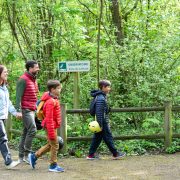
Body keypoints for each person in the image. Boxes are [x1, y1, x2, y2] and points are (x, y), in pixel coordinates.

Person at [28, 80, 64, 172]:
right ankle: (53, 165)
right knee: (55, 145)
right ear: (52, 89)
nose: (60, 90)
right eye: (58, 88)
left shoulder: (53, 99)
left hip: (52, 126)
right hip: (50, 126)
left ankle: (34, 156)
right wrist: (52, 133)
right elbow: (49, 119)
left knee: (50, 144)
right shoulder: (50, 102)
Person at [87, 80, 126, 160]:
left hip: (101, 121)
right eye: (108, 87)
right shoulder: (101, 98)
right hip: (102, 122)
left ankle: (90, 155)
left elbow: (102, 111)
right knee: (108, 137)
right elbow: (99, 113)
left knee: (97, 138)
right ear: (103, 87)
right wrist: (100, 125)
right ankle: (115, 153)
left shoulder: (100, 96)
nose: (109, 89)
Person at [16, 60, 39, 163]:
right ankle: (27, 154)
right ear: (30, 68)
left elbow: (35, 95)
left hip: (32, 109)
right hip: (25, 109)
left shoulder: (34, 79)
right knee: (33, 129)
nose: (38, 69)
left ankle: (21, 157)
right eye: (36, 67)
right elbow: (18, 96)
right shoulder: (23, 79)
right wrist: (18, 110)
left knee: (26, 132)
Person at [0, 65, 22, 169]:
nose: (7, 73)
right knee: (3, 137)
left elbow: (8, 103)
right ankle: (8, 162)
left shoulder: (4, 88)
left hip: (3, 116)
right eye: (5, 72)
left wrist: (15, 113)